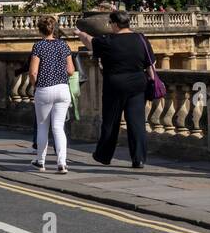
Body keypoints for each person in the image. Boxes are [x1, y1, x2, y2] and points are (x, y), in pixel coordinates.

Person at [77, 10, 154, 168]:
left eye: (110, 23)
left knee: (111, 121)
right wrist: (152, 80)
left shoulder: (108, 40)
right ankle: (138, 158)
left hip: (115, 85)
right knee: (137, 123)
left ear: (115, 24)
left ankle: (104, 155)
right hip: (138, 84)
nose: (110, 26)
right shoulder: (141, 38)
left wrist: (80, 33)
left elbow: (90, 42)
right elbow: (150, 65)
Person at [29, 14, 76, 173]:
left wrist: (35, 86)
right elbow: (71, 70)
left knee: (43, 127)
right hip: (63, 89)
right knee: (58, 127)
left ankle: (41, 162)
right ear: (54, 28)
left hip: (44, 89)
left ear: (40, 30)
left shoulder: (38, 46)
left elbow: (33, 72)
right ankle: (62, 163)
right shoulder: (64, 45)